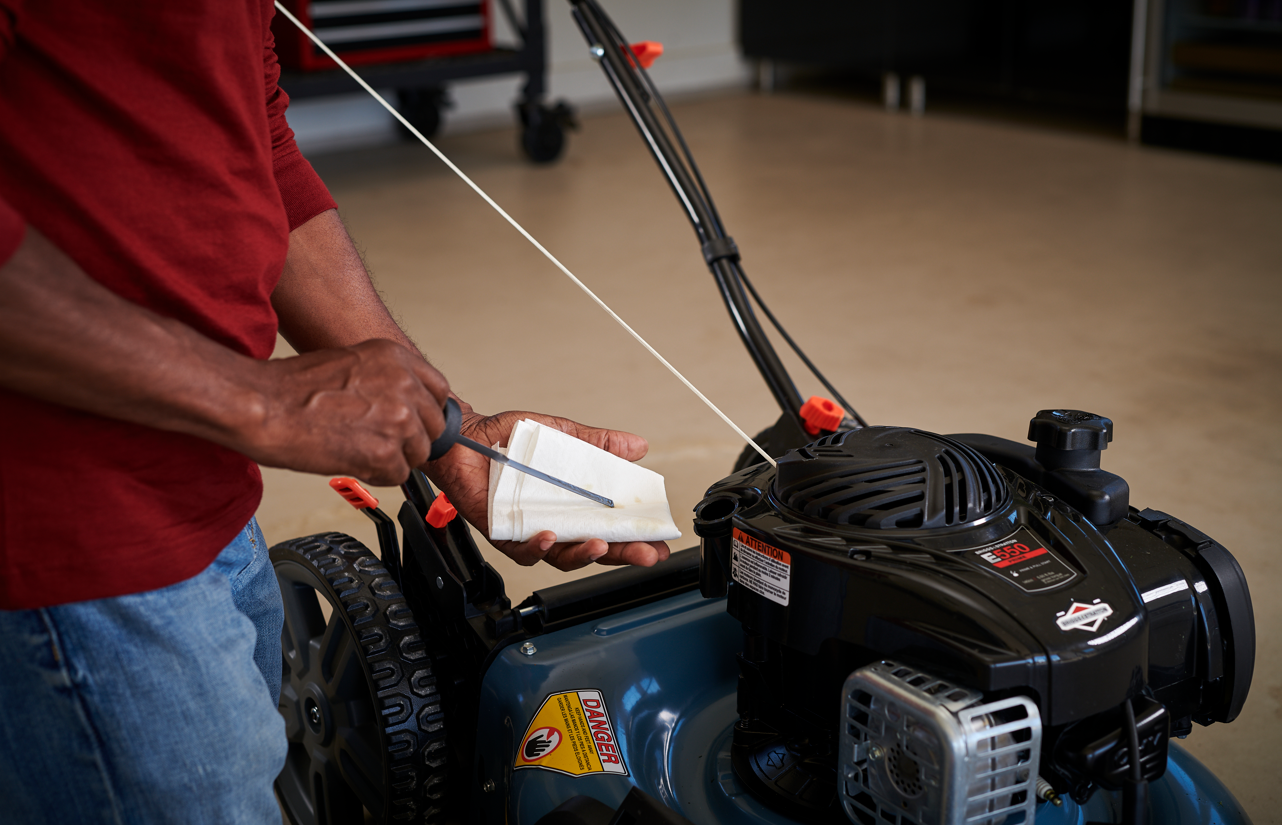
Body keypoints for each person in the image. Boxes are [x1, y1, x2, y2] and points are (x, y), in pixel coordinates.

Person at [0, 2, 670, 822]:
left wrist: (449, 437)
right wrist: (260, 396)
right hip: (71, 537)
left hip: (203, 488)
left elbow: (252, 141)